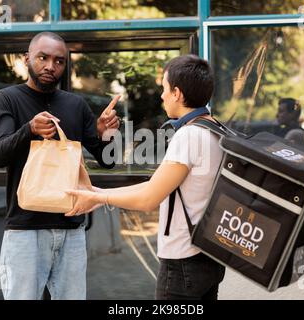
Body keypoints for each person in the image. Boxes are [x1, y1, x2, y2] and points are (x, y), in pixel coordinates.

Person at [65, 54, 226, 300]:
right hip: (209, 257)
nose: (161, 96)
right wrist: (96, 195)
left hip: (183, 262)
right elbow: (156, 186)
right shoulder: (214, 129)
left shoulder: (189, 136)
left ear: (177, 94)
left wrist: (100, 198)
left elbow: (148, 199)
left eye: (164, 89)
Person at [0, 32, 120, 300]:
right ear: (27, 59)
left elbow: (108, 162)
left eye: (59, 61)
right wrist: (29, 129)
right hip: (25, 229)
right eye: (43, 58)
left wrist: (106, 133)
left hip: (72, 230)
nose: (51, 66)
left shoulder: (76, 104)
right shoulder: (8, 98)